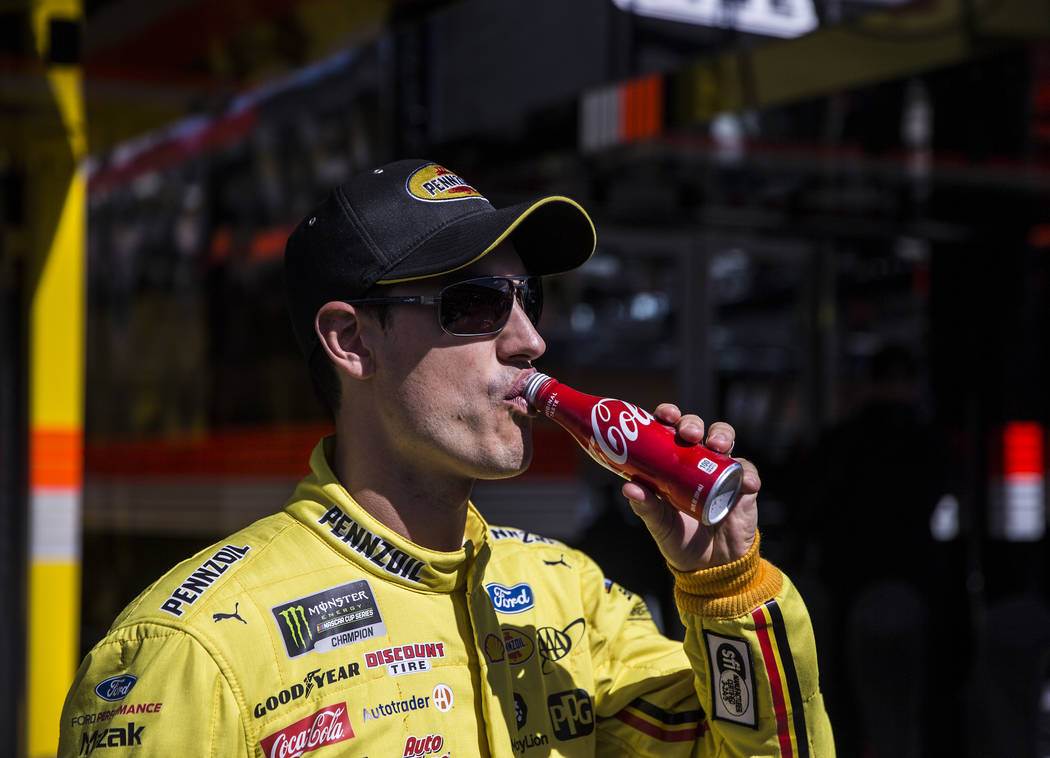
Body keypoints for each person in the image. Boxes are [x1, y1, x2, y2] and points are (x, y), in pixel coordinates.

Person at [59, 159, 834, 757]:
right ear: (351, 341)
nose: (530, 338)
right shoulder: (189, 651)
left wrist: (723, 586)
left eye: (530, 298)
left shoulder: (569, 600)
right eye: (474, 303)